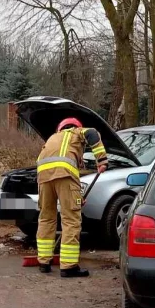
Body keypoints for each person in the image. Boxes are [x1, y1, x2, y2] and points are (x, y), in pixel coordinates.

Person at [35, 117, 107, 277]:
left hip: (43, 178)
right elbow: (93, 133)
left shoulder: (52, 138)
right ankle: (68, 266)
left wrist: (78, 197)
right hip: (64, 176)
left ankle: (44, 262)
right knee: (71, 220)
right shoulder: (75, 132)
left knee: (46, 218)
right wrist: (101, 159)